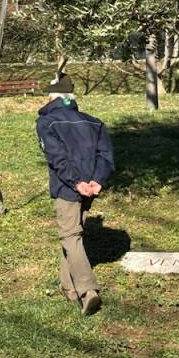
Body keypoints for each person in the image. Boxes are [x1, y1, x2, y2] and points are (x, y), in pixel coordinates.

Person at [36, 74, 115, 316]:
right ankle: (68, 287)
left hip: (67, 187)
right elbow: (106, 156)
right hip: (90, 188)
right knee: (72, 235)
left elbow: (57, 157)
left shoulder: (46, 122)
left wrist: (77, 182)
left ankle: (87, 290)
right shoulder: (94, 122)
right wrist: (96, 181)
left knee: (70, 236)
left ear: (53, 98)